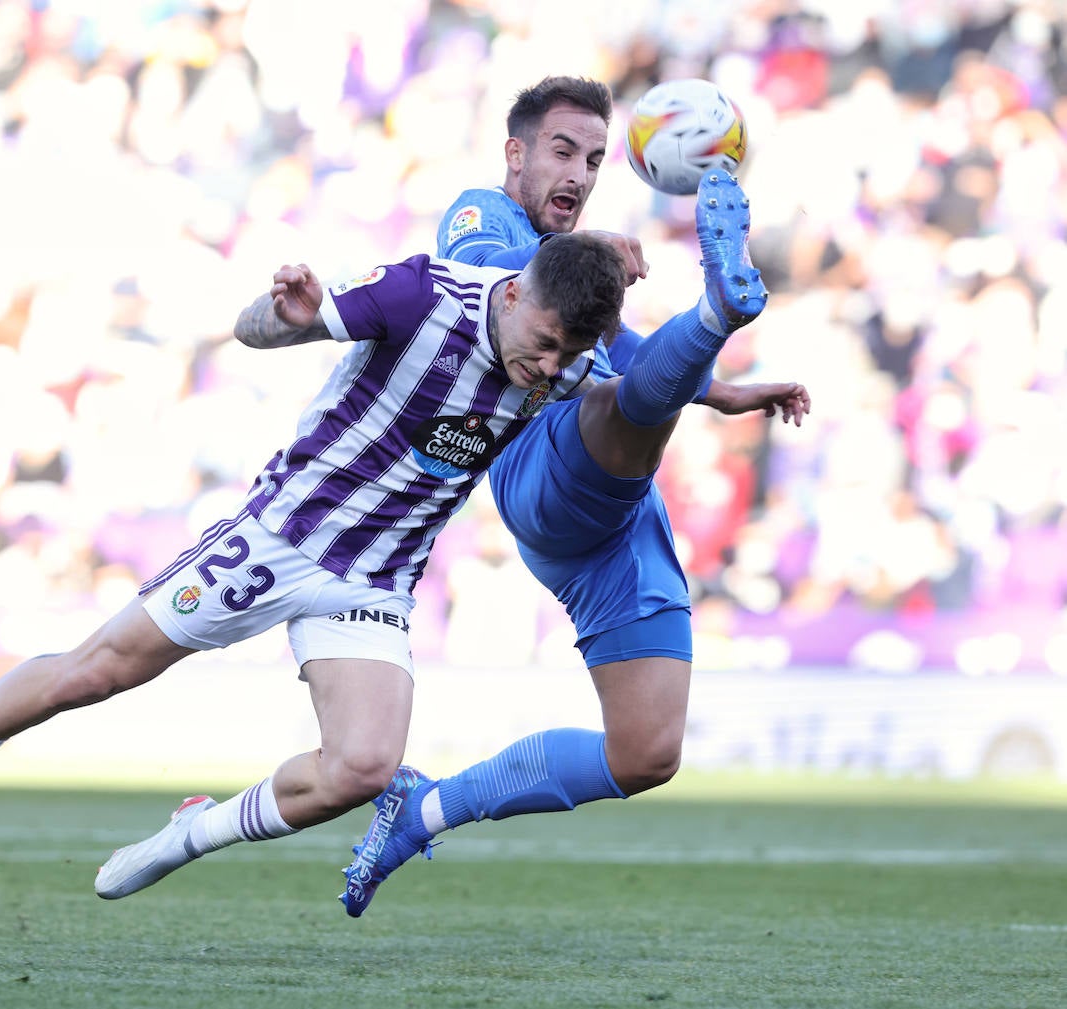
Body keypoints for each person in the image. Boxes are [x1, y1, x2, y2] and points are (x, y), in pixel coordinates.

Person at [0, 229, 629, 899]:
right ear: (512, 294)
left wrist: (702, 364)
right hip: (279, 538)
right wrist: (287, 316)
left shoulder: (567, 361)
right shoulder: (422, 293)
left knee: (363, 768)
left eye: (566, 356)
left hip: (375, 581)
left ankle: (190, 833)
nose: (549, 369)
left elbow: (641, 385)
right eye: (544, 345)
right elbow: (260, 328)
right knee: (95, 671)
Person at [340, 77, 810, 916]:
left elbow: (628, 353)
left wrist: (722, 392)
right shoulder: (481, 215)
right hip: (537, 469)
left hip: (624, 522)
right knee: (611, 403)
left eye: (594, 159)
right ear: (515, 152)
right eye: (562, 151)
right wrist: (597, 258)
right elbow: (502, 283)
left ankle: (424, 808)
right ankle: (715, 312)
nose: (579, 173)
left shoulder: (580, 270)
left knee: (647, 751)